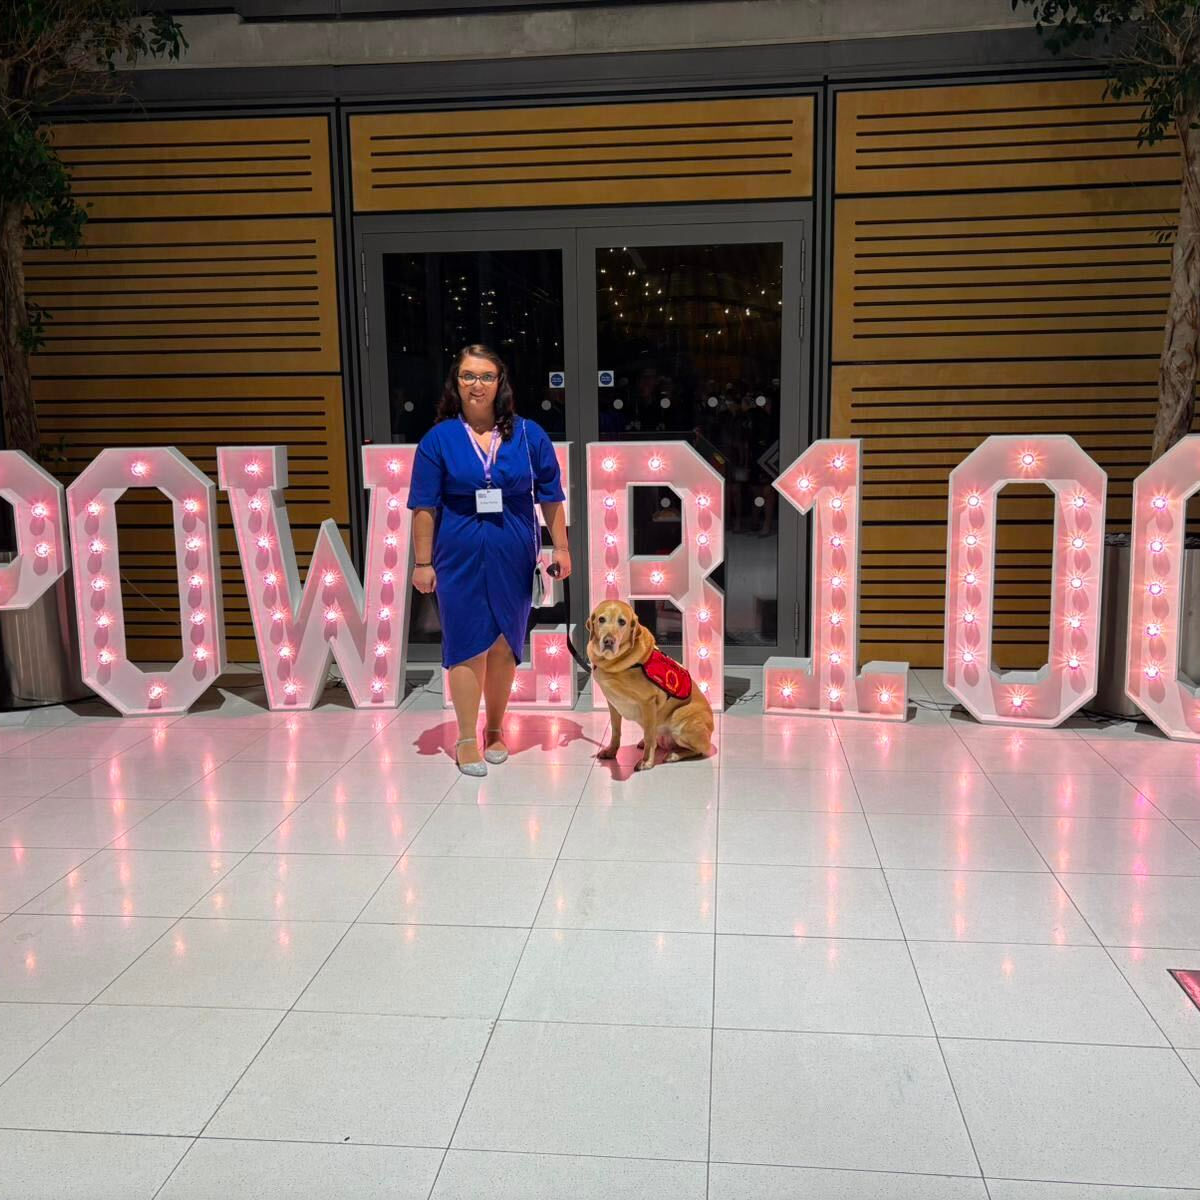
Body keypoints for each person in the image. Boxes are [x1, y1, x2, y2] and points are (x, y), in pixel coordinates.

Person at [408, 344, 569, 776]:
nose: (477, 384)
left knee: (503, 644)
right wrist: (423, 563)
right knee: (465, 644)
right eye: (468, 376)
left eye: (485, 376)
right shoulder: (437, 439)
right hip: (457, 554)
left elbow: (551, 496)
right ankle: (465, 736)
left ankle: (495, 729)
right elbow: (423, 506)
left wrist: (563, 548)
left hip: (513, 551)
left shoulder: (529, 434)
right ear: (455, 383)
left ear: (500, 383)